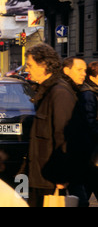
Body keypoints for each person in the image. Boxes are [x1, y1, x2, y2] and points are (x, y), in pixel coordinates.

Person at [24, 43, 77, 207]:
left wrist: (61, 177)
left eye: (30, 65)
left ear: (44, 65)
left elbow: (65, 137)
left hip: (50, 180)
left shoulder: (59, 93)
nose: (27, 69)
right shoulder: (46, 91)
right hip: (40, 176)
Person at [68, 61, 98, 206]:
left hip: (89, 153)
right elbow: (90, 122)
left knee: (83, 191)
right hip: (91, 152)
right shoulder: (88, 94)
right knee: (83, 190)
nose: (83, 73)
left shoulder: (91, 91)